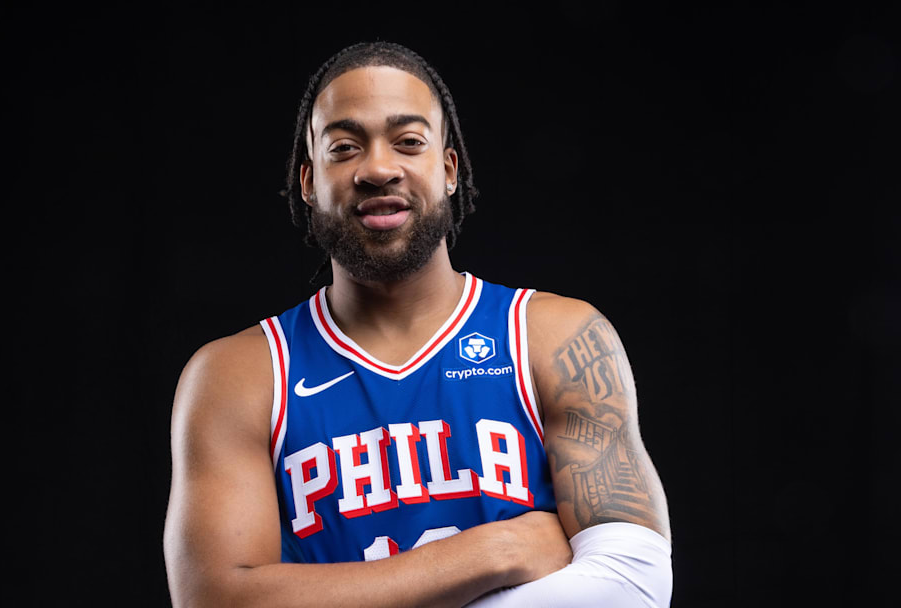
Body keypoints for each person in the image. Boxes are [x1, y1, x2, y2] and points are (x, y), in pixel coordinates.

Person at [163, 41, 672, 607]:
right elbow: (216, 601)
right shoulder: (239, 374)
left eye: (408, 142)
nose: (379, 169)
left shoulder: (552, 336)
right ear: (308, 182)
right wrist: (494, 551)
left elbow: (633, 584)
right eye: (344, 147)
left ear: (449, 169)